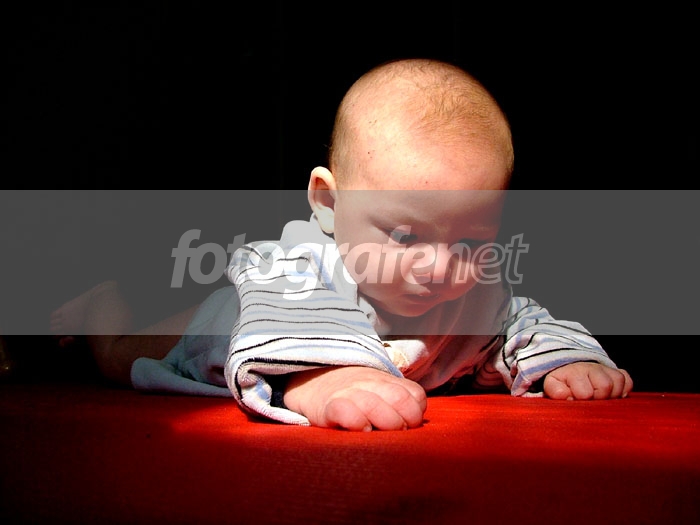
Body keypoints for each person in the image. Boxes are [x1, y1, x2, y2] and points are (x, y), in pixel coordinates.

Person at [50, 57, 633, 431]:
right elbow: (291, 313)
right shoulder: (299, 264)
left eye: (471, 240)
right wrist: (322, 377)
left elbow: (518, 321)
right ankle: (100, 302)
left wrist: (567, 360)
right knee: (119, 357)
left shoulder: (474, 292)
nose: (438, 265)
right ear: (329, 203)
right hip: (228, 325)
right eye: (405, 235)